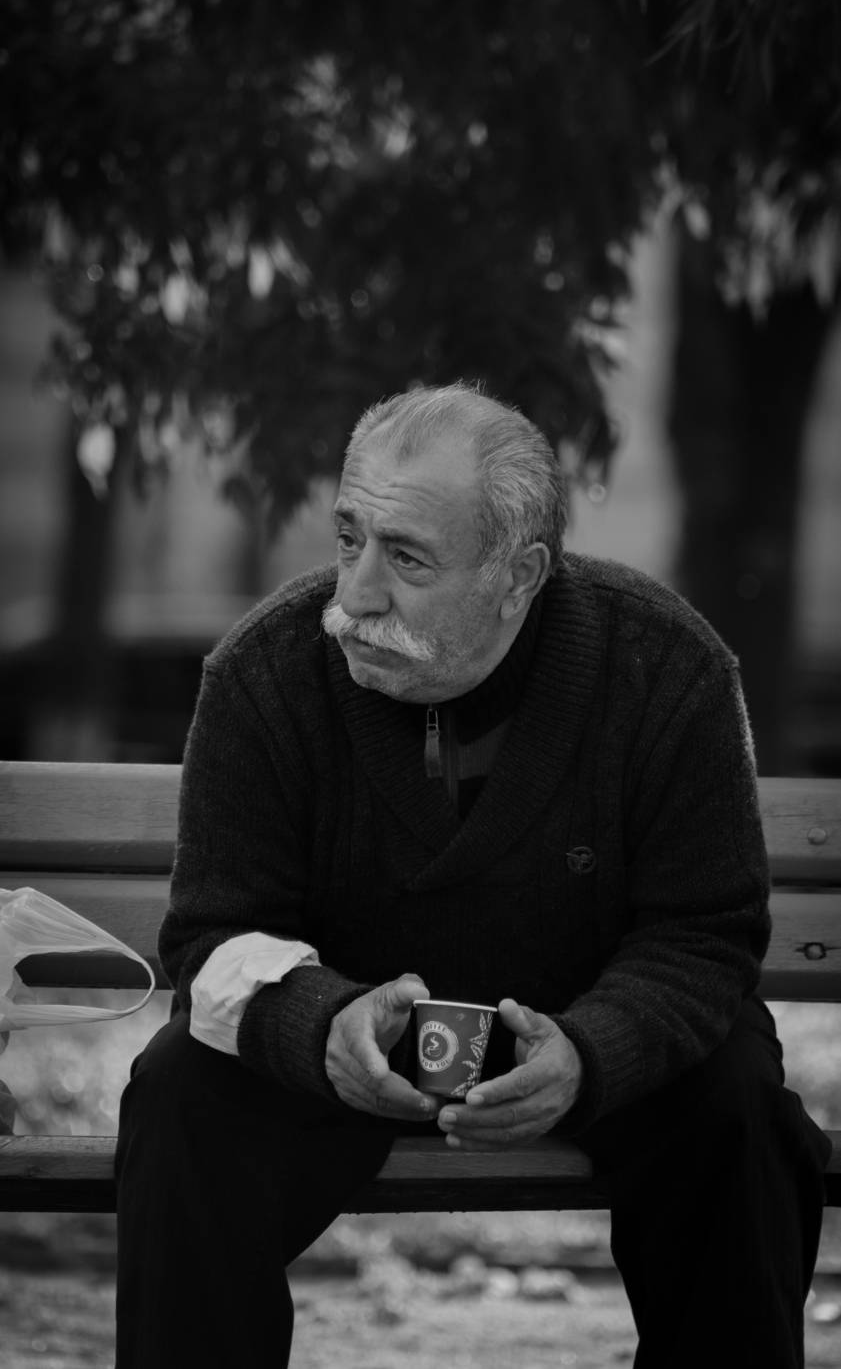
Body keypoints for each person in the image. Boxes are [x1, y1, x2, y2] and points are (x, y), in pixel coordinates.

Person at [115, 382, 831, 1369]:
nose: (355, 594)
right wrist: (320, 1026)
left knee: (741, 1108)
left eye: (406, 558)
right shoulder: (265, 672)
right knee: (179, 1094)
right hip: (348, 1041)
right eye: (349, 539)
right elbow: (213, 937)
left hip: (596, 1024)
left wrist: (590, 1053)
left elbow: (704, 934)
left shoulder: (665, 666)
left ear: (518, 573)